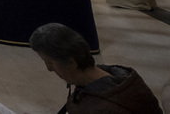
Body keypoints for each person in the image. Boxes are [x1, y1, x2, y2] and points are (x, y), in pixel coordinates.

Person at [29, 23, 161, 113]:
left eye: (50, 62)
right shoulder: (112, 76)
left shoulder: (105, 106)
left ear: (71, 62)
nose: (49, 69)